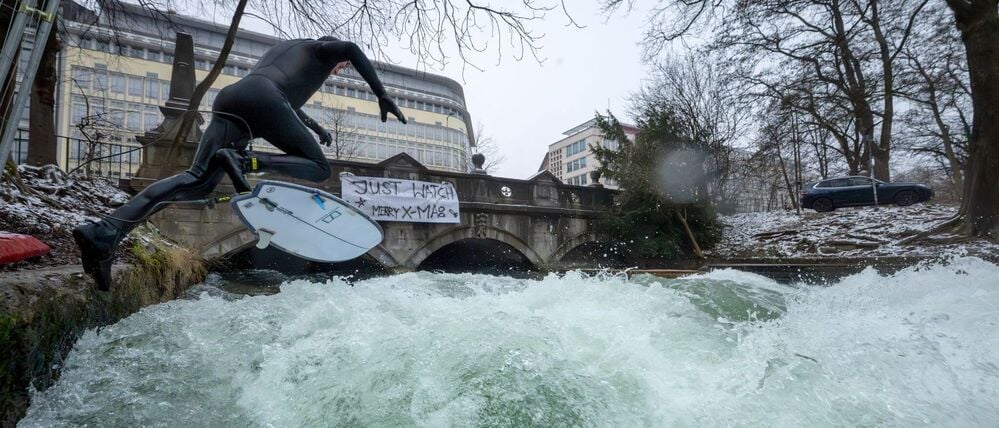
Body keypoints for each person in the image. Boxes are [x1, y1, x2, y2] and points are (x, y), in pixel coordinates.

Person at [73, 36, 407, 291]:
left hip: (233, 100)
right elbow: (350, 48)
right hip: (264, 102)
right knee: (319, 168)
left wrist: (316, 128)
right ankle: (246, 161)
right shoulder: (322, 50)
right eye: (342, 66)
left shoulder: (287, 51)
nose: (341, 68)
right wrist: (381, 94)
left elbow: (286, 100)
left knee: (196, 180)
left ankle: (106, 232)